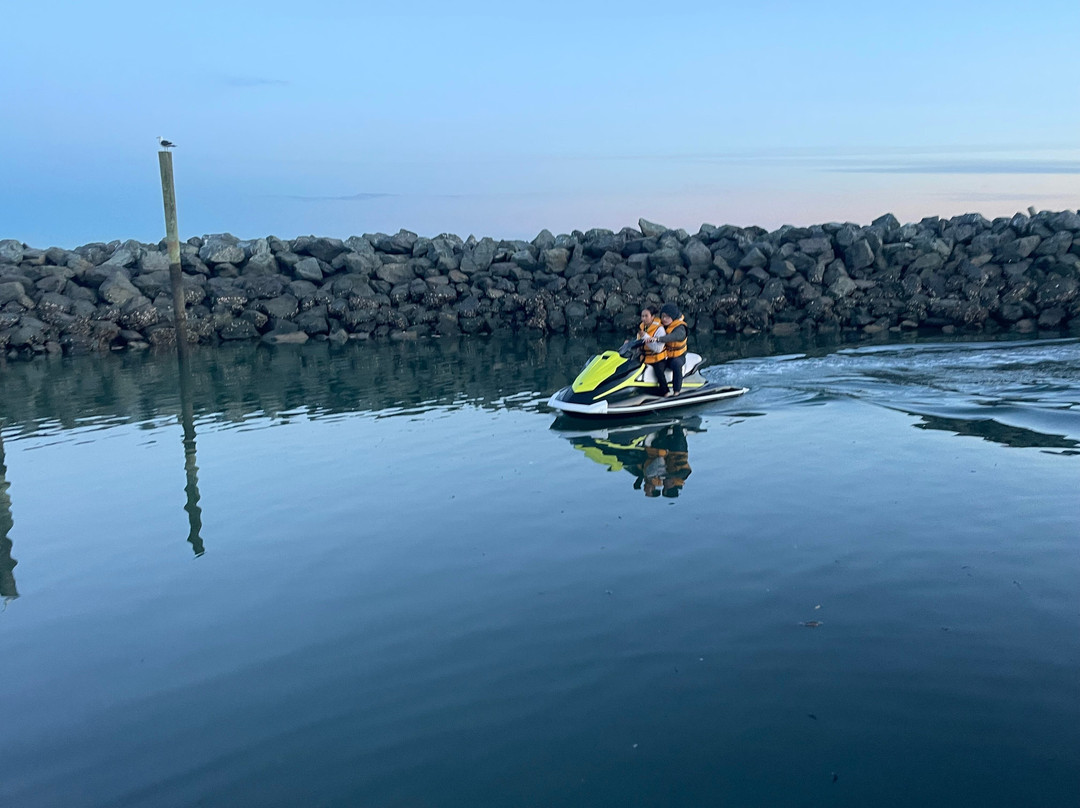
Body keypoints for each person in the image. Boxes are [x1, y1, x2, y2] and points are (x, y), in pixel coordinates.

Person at [652, 303, 689, 397]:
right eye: (663, 316)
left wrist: (659, 339)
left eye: (668, 317)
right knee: (657, 365)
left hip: (678, 356)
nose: (664, 319)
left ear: (673, 317)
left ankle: (677, 392)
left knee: (676, 364)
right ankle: (665, 392)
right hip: (664, 355)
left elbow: (675, 336)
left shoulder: (680, 328)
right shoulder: (659, 325)